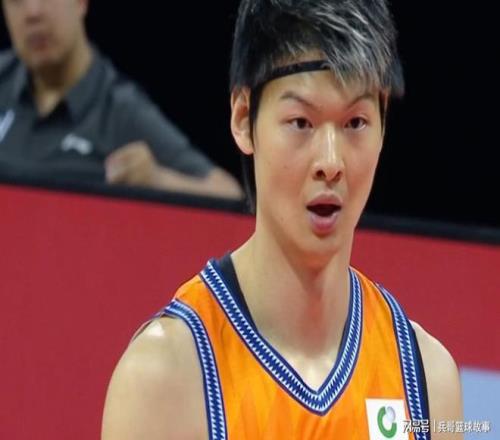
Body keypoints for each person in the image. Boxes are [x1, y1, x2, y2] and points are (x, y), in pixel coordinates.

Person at [102, 0, 463, 438]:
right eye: (301, 122)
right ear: (243, 119)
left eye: (355, 123)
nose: (330, 162)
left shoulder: (427, 382)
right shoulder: (166, 377)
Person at [0, 0, 242, 199]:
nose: (33, 12)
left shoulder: (120, 110)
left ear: (81, 3)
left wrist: (158, 180)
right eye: (16, 1)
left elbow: (228, 194)